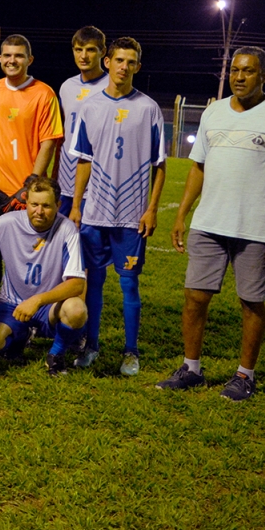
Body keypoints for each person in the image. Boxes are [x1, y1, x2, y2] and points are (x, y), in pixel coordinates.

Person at [158, 47, 265, 402]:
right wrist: (182, 214)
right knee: (195, 296)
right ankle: (191, 368)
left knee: (251, 301)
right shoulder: (213, 112)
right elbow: (198, 168)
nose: (239, 77)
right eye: (235, 71)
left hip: (257, 228)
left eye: (249, 71)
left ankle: (245, 376)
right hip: (209, 224)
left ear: (264, 77)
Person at [67, 37, 166, 376]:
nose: (124, 67)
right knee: (92, 282)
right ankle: (91, 346)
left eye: (131, 62)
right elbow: (84, 161)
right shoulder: (90, 107)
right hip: (95, 212)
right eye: (119, 60)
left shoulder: (149, 108)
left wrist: (152, 209)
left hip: (131, 216)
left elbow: (159, 164)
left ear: (138, 66)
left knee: (128, 284)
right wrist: (77, 206)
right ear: (107, 62)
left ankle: (131, 352)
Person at [0, 34, 63, 306]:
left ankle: (27, 315)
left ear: (29, 60)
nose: (12, 60)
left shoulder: (44, 93)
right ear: (0, 59)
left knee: (25, 260)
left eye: (19, 55)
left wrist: (31, 185)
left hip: (24, 195)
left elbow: (49, 141)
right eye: (7, 55)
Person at [0, 176, 88, 376]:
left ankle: (56, 355)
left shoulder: (67, 229)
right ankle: (20, 336)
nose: (39, 211)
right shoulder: (7, 223)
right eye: (34, 204)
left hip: (48, 307)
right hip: (10, 303)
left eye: (46, 206)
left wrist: (37, 300)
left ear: (58, 205)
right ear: (26, 202)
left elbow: (77, 284)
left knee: (76, 310)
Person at [57, 26, 108, 215]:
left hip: (96, 184)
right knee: (61, 240)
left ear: (102, 52)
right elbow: (60, 135)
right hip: (64, 182)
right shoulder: (67, 86)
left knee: (89, 243)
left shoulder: (111, 87)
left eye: (90, 49)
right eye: (79, 50)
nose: (83, 56)